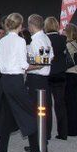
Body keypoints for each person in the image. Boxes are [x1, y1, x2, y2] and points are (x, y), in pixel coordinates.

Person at [0, 13, 51, 152]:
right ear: (20, 25)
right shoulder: (20, 41)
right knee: (30, 114)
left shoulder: (1, 41)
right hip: (16, 81)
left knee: (8, 117)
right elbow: (23, 64)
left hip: (4, 81)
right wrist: (38, 66)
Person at [24, 15, 52, 144]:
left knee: (36, 110)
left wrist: (25, 67)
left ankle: (38, 141)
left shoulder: (37, 40)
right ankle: (41, 139)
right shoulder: (45, 38)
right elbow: (50, 57)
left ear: (31, 25)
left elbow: (42, 62)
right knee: (41, 110)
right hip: (41, 78)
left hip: (36, 78)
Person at [44, 16, 68, 140]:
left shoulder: (44, 39)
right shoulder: (63, 39)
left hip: (47, 73)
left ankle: (46, 133)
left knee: (47, 105)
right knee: (60, 104)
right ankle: (63, 132)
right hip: (60, 74)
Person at [63, 24, 77, 137]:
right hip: (76, 74)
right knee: (73, 102)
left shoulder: (68, 45)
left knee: (69, 102)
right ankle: (75, 128)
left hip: (69, 73)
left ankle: (71, 128)